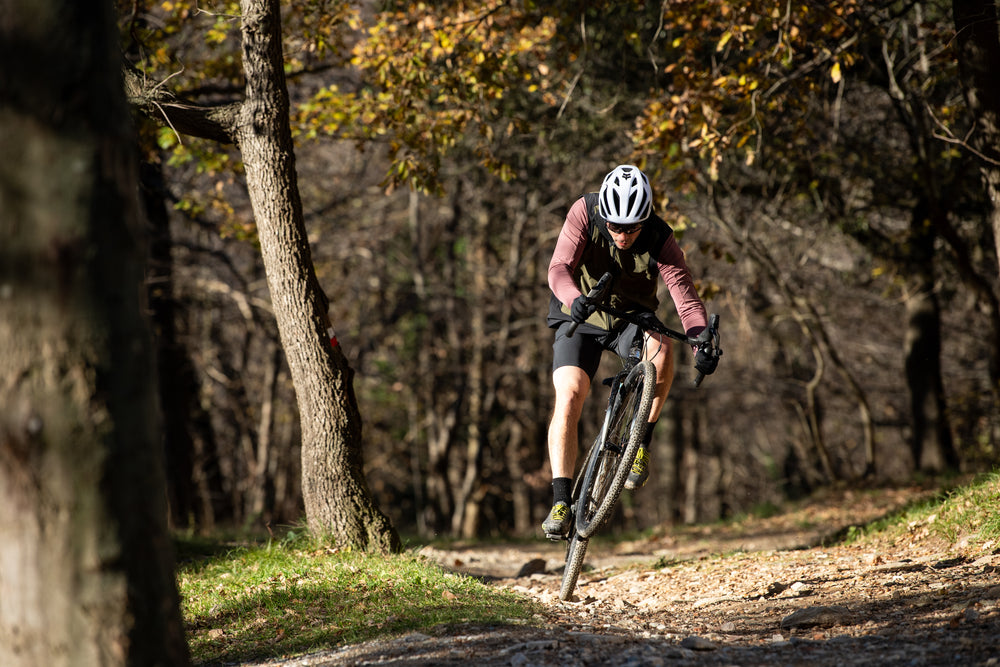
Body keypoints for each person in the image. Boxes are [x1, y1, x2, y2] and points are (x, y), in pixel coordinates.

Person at [541, 164, 718, 537]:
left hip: (630, 317)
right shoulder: (584, 213)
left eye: (631, 227)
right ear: (604, 215)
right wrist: (574, 300)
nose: (623, 235)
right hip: (581, 313)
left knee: (663, 349)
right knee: (570, 394)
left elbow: (685, 300)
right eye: (615, 227)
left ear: (646, 219)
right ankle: (560, 500)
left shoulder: (659, 237)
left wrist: (701, 340)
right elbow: (558, 268)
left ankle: (641, 440)